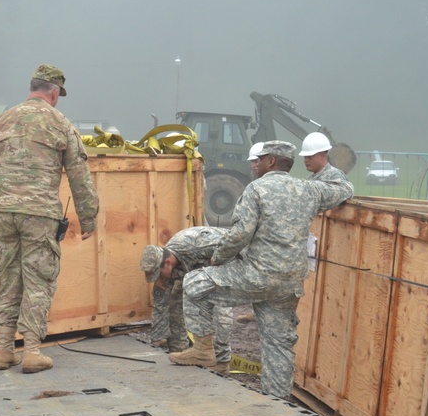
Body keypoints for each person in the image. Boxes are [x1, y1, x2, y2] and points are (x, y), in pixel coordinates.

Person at [169, 140, 353, 398]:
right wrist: (327, 165)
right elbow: (344, 187)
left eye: (260, 159)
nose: (255, 164)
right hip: (288, 283)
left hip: (254, 275)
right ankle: (278, 402)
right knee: (278, 345)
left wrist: (218, 258)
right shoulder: (309, 190)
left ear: (271, 162)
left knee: (194, 284)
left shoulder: (256, 189)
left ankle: (202, 349)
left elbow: (240, 234)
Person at [0, 65, 99, 373]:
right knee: (37, 279)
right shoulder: (60, 123)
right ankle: (31, 351)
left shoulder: (2, 119)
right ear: (54, 93)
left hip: (2, 212)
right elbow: (79, 174)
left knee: (8, 277)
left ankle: (4, 349)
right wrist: (88, 217)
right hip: (39, 213)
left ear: (32, 88)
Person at [139, 227, 235, 372]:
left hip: (226, 265)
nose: (158, 278)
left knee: (220, 311)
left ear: (167, 263)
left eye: (158, 274)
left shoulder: (197, 244)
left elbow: (234, 244)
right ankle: (181, 349)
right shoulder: (167, 263)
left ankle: (221, 362)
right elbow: (161, 303)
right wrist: (157, 338)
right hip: (198, 273)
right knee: (176, 300)